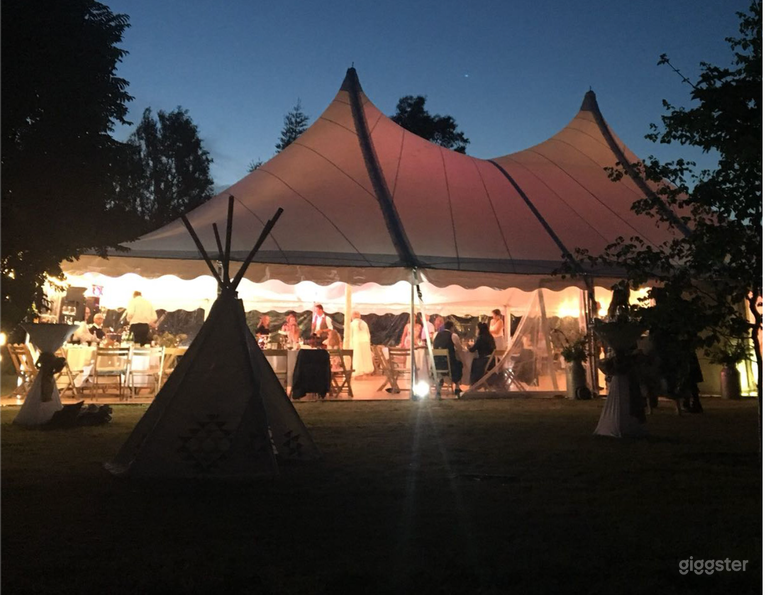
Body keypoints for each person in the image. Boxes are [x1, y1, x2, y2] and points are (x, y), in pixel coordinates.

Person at [433, 320, 464, 396]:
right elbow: (460, 348)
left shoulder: (436, 334)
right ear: (452, 327)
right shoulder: (453, 335)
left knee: (443, 369)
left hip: (436, 363)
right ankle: (457, 387)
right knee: (459, 364)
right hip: (449, 363)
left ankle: (440, 382)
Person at [349, 311, 374, 377]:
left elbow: (350, 335)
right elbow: (368, 334)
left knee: (358, 357)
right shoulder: (364, 323)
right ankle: (367, 370)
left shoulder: (352, 324)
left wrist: (350, 345)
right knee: (366, 357)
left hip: (357, 342)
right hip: (365, 341)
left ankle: (358, 371)